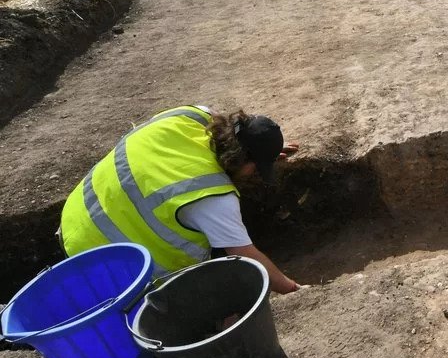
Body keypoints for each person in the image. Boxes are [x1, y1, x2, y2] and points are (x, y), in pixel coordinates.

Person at [59, 106, 303, 294]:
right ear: (244, 159)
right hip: (101, 261)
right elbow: (244, 253)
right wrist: (292, 289)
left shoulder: (191, 116)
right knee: (215, 302)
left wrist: (265, 152)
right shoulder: (211, 195)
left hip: (77, 214)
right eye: (256, 168)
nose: (255, 174)